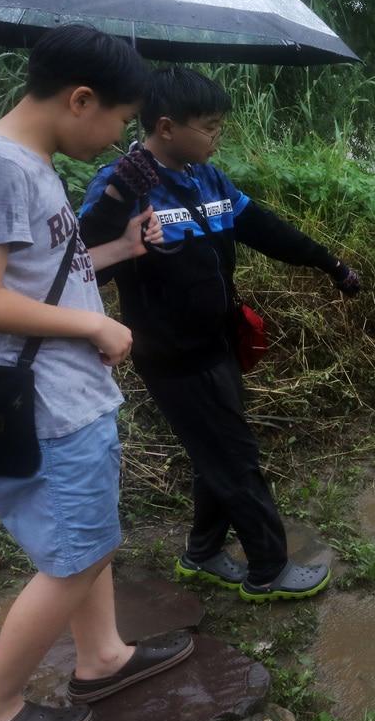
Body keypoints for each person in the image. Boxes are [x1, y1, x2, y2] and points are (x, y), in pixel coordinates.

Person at [0, 25, 191, 721]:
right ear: (81, 99)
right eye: (116, 120)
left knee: (89, 543)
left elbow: (40, 271)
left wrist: (118, 248)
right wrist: (94, 328)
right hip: (50, 405)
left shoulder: (26, 162)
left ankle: (103, 656)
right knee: (74, 559)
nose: (117, 140)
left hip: (66, 395)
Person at [78, 67, 360, 603]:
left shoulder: (208, 179)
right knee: (235, 457)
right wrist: (117, 199)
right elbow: (81, 268)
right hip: (174, 356)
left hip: (217, 345)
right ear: (166, 126)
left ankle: (202, 553)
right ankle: (268, 570)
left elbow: (265, 229)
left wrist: (329, 264)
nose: (217, 136)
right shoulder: (124, 186)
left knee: (218, 453)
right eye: (209, 127)